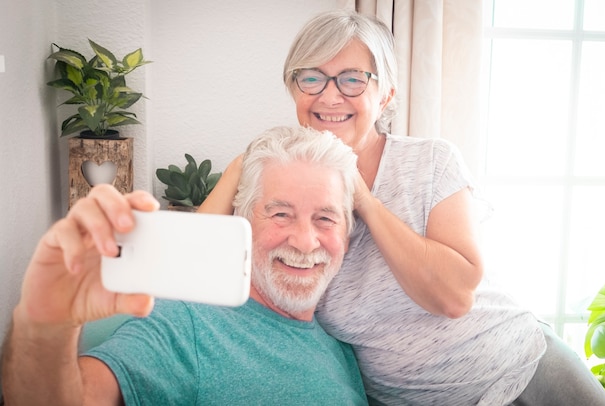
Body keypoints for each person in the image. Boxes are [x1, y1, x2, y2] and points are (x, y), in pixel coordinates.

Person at [199, 9, 605, 406]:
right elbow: (189, 264)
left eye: (352, 80)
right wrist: (243, 164)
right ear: (294, 89)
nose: (329, 95)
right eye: (311, 78)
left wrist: (363, 199)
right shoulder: (278, 179)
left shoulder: (432, 161)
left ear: (386, 95)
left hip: (524, 367)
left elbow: (453, 297)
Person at [0, 126, 368, 405]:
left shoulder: (342, 349)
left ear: (347, 235)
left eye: (325, 219)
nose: (305, 241)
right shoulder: (189, 324)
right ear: (242, 220)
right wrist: (44, 324)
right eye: (281, 214)